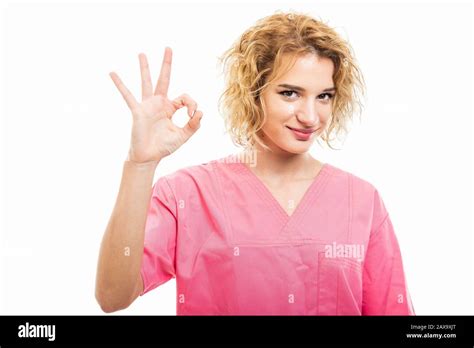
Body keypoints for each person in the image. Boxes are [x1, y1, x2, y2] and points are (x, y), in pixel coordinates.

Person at [95, 11, 415, 315]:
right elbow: (112, 296)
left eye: (324, 96)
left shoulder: (360, 200)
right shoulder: (187, 194)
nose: (310, 116)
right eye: (290, 93)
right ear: (254, 92)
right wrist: (140, 165)